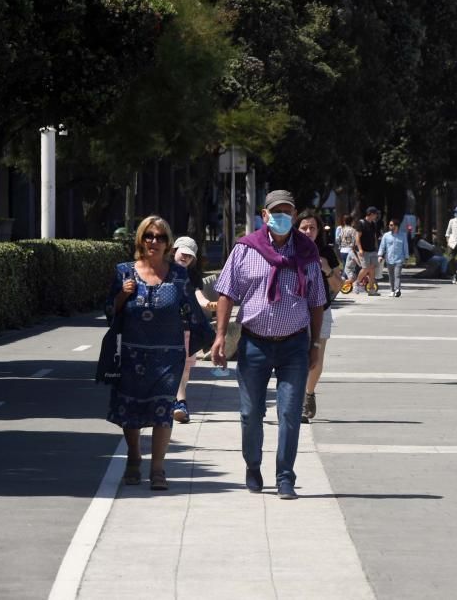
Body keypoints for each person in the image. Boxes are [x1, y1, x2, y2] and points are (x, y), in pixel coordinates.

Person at [211, 190, 326, 499]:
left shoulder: (307, 252)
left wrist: (315, 343)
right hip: (254, 344)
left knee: (290, 413)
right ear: (264, 215)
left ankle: (285, 476)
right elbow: (226, 292)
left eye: (287, 211)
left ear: (295, 214)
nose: (281, 217)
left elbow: (316, 301)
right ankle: (253, 465)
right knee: (251, 414)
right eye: (276, 212)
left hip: (294, 346)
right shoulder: (246, 250)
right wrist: (221, 335)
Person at [105, 217, 213, 490]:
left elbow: (191, 309)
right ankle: (133, 456)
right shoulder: (124, 272)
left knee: (163, 410)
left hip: (168, 356)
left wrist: (211, 339)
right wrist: (122, 296)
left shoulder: (178, 274)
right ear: (140, 239)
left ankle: (157, 468)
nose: (154, 241)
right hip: (131, 355)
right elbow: (109, 313)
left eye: (161, 237)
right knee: (130, 409)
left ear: (168, 242)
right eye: (149, 236)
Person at [295, 210, 340, 424]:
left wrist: (327, 270)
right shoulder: (290, 250)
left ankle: (308, 395)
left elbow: (339, 286)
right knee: (296, 357)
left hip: (321, 310)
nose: (308, 231)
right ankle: (295, 399)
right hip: (294, 311)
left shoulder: (326, 252)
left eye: (312, 227)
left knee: (317, 358)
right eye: (304, 227)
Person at [170, 236, 218, 424]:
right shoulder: (163, 270)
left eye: (190, 256)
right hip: (165, 325)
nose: (186, 258)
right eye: (184, 253)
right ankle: (180, 402)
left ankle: (178, 401)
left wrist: (210, 304)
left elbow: (200, 297)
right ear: (175, 250)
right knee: (178, 364)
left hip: (187, 325)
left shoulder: (193, 276)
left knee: (186, 368)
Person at [378, 218, 409, 297]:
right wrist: (380, 255)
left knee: (397, 275)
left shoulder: (403, 235)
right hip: (389, 259)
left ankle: (397, 289)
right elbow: (382, 246)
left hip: (399, 259)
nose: (389, 226)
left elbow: (405, 246)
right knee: (391, 276)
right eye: (389, 225)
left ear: (396, 226)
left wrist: (406, 257)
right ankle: (392, 290)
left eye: (391, 225)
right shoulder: (386, 235)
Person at [354, 207, 381, 295]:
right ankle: (357, 283)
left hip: (372, 250)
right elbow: (357, 237)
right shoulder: (361, 223)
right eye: (375, 214)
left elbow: (374, 237)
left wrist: (377, 248)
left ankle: (372, 289)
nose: (376, 216)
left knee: (372, 269)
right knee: (365, 268)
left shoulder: (373, 224)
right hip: (364, 250)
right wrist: (360, 249)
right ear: (371, 214)